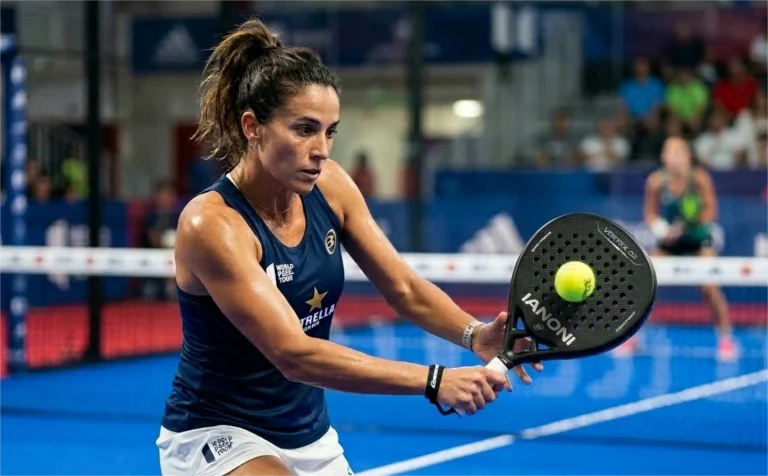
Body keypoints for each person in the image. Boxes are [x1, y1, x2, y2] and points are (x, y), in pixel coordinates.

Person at [156, 18, 542, 476]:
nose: (321, 149)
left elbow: (403, 287)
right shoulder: (212, 224)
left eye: (330, 131)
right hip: (217, 432)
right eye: (304, 129)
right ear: (252, 127)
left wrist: (472, 334)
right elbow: (293, 354)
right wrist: (434, 381)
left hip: (309, 433)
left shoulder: (331, 185)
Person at [615, 136, 736, 362]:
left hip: (699, 239)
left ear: (687, 156)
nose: (674, 158)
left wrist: (688, 225)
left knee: (709, 286)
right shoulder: (656, 182)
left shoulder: (699, 179)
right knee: (644, 279)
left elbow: (711, 213)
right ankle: (632, 336)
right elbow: (650, 214)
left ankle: (726, 338)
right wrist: (663, 229)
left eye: (678, 153)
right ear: (664, 157)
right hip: (670, 241)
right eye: (669, 153)